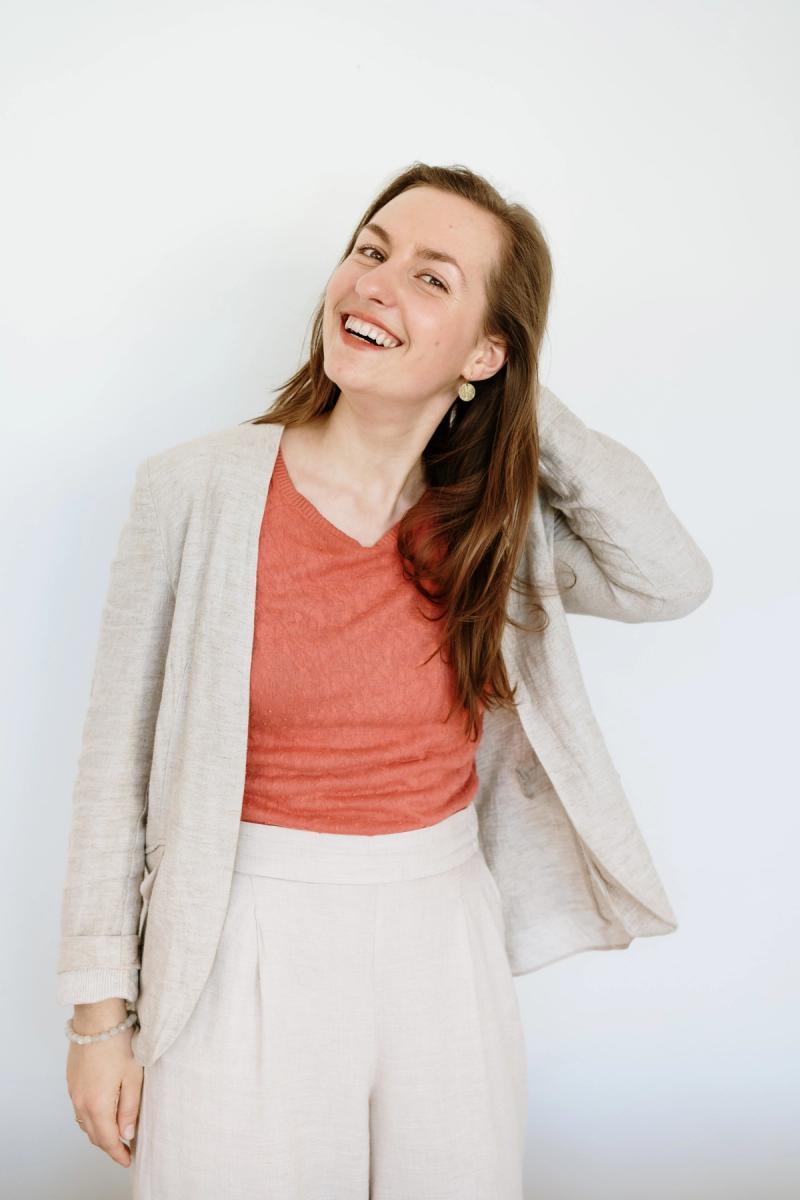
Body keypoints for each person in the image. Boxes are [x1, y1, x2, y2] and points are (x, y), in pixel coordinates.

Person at [58, 162, 713, 1198]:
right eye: (369, 251)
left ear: (486, 351)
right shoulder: (192, 490)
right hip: (238, 935)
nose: (373, 282)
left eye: (430, 278)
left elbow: (668, 577)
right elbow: (113, 766)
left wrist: (521, 402)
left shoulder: (492, 530)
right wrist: (99, 1019)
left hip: (442, 937)